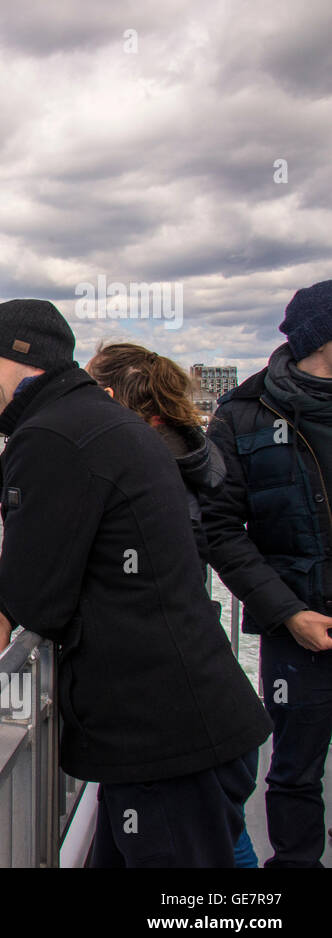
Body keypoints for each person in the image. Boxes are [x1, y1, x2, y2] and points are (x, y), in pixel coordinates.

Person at [0, 298, 271, 867]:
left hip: (162, 740)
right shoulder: (101, 422)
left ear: (29, 359)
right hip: (186, 719)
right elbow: (71, 547)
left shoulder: (52, 435)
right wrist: (4, 593)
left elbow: (42, 594)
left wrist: (3, 597)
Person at [87, 341, 258, 867]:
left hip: (165, 713)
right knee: (222, 839)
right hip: (202, 699)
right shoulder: (190, 462)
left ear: (112, 399)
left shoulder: (138, 475)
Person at [201, 280, 332, 867]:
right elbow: (220, 529)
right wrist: (288, 613)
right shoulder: (242, 416)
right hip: (300, 626)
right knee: (296, 773)